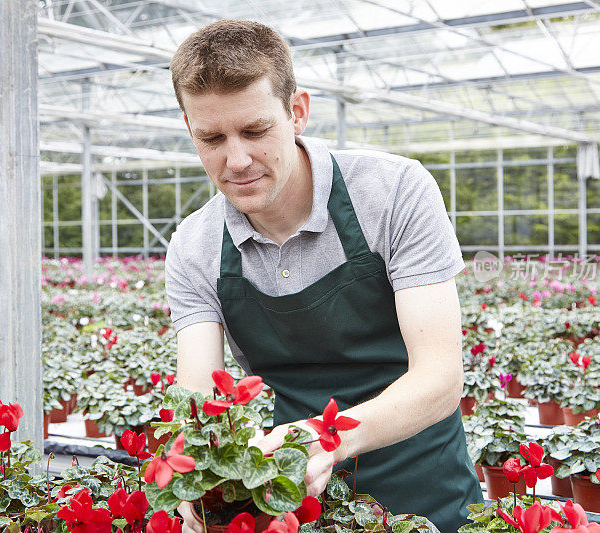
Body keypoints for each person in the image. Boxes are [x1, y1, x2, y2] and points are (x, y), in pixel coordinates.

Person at [164, 19, 483, 533]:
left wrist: (326, 438)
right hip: (302, 495)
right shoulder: (195, 246)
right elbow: (199, 397)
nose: (237, 160)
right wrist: (193, 480)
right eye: (211, 138)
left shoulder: (395, 191)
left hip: (426, 487)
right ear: (189, 130)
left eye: (255, 131)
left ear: (297, 113)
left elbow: (441, 380)